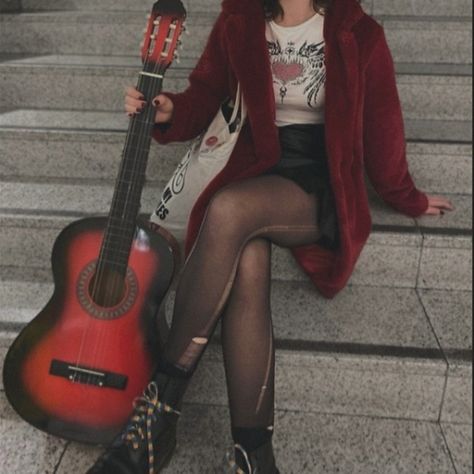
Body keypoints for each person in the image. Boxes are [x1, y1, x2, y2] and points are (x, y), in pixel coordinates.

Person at [87, 0, 454, 472]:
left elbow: (383, 127)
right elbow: (206, 92)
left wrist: (409, 197)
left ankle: (156, 413)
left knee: (230, 209)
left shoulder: (357, 33)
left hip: (314, 181)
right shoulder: (240, 21)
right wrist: (169, 109)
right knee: (248, 255)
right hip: (254, 165)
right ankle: (253, 456)